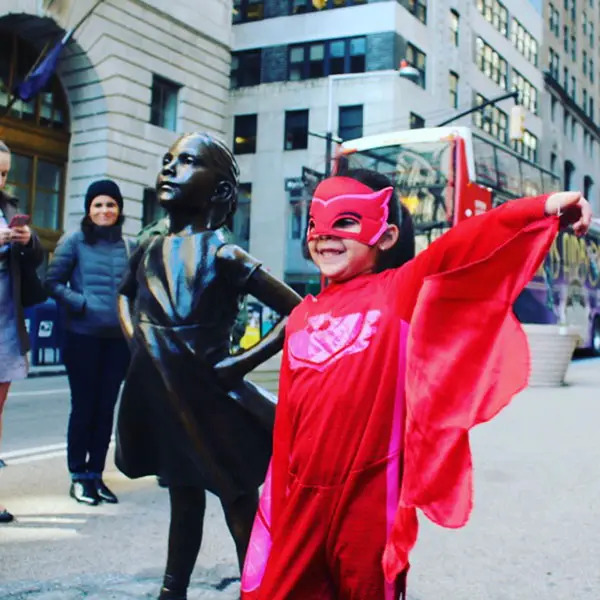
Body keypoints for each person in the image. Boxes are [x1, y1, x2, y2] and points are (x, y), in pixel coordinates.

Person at [240, 169, 592, 600]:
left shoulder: (398, 291)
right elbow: (287, 424)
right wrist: (276, 503)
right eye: (315, 224)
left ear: (385, 237)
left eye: (346, 222)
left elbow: (462, 245)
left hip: (368, 496)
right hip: (302, 498)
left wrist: (540, 207)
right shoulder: (301, 317)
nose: (324, 235)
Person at [115, 132, 301, 600]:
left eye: (186, 162)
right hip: (164, 393)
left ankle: (259, 588)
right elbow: (123, 295)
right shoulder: (149, 247)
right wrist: (138, 340)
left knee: (238, 500)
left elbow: (300, 312)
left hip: (213, 399)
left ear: (219, 192)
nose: (169, 169)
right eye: (167, 160)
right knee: (183, 494)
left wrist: (240, 364)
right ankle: (171, 589)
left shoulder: (225, 254)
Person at [45, 179, 131, 506]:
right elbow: (52, 282)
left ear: (119, 209)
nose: (104, 210)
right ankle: (78, 476)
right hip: (81, 338)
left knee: (106, 409)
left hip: (116, 342)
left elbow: (135, 290)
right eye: (98, 205)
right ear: (89, 209)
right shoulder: (74, 242)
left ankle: (96, 475)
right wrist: (81, 303)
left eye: (110, 204)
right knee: (84, 407)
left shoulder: (129, 246)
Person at [0, 141, 43, 524]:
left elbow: (37, 258)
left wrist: (29, 241)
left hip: (4, 322)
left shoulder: (8, 209)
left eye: (3, 173)